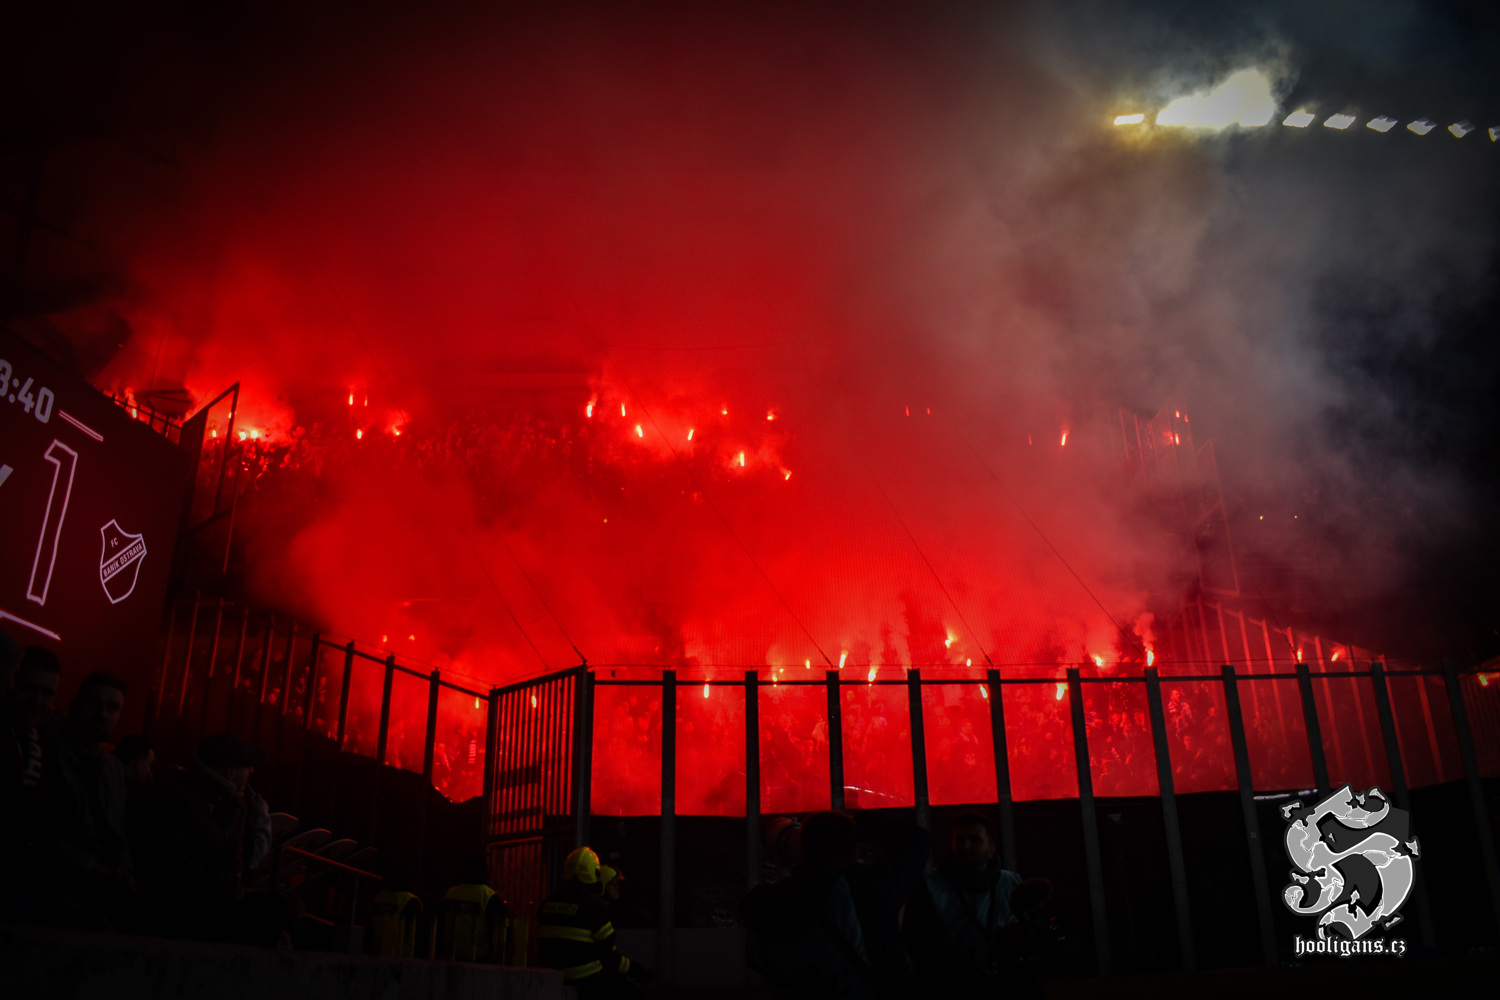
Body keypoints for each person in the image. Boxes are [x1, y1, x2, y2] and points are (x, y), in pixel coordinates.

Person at [742, 810, 930, 1000]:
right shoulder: (873, 888)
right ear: (853, 850)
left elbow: (758, 960)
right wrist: (853, 824)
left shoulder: (769, 904)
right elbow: (917, 840)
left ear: (803, 850)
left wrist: (785, 871)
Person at [133, 733, 279, 943]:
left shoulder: (232, 805)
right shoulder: (170, 797)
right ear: (230, 772)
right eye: (247, 767)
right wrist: (232, 886)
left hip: (214, 901)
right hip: (177, 909)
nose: (251, 771)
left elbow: (237, 859)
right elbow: (172, 866)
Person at [902, 812, 1051, 1000]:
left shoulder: (1011, 883)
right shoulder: (928, 886)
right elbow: (916, 945)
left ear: (991, 850)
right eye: (960, 839)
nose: (965, 846)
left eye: (974, 840)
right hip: (951, 987)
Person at [45, 672, 134, 926]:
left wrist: (124, 867)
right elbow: (42, 832)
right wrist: (97, 867)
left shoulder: (113, 767)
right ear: (75, 705)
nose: (103, 714)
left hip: (104, 875)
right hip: (61, 875)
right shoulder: (48, 750)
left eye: (113, 708)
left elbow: (120, 828)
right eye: (94, 703)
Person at [537, 846, 646, 996]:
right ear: (595, 874)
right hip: (586, 981)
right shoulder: (592, 907)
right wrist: (639, 971)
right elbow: (610, 957)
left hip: (550, 979)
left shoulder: (547, 903)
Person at [437, 855, 507, 962]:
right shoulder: (489, 896)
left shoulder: (450, 893)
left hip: (450, 956)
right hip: (479, 958)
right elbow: (501, 931)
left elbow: (439, 924)